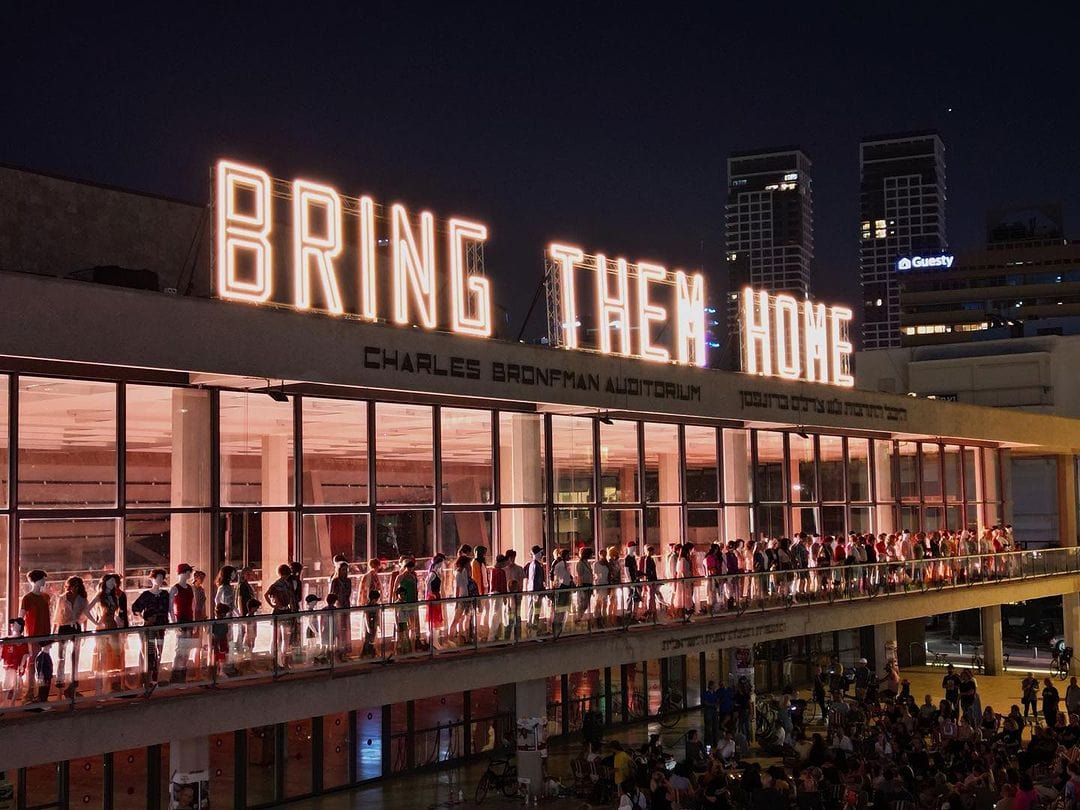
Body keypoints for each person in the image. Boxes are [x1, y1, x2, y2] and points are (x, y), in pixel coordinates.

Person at [88, 573, 128, 692]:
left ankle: (108, 687)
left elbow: (118, 612)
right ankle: (99, 690)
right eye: (110, 581)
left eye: (113, 582)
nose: (112, 583)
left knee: (113, 656)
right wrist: (96, 622)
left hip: (113, 625)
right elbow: (87, 609)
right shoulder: (100, 595)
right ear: (104, 583)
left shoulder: (114, 596)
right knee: (102, 657)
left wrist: (119, 620)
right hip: (103, 626)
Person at [132, 568, 170, 689]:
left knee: (159, 652)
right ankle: (147, 680)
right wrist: (143, 618)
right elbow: (135, 608)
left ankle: (155, 678)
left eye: (162, 578)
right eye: (158, 578)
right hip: (150, 627)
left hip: (161, 626)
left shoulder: (165, 594)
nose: (160, 580)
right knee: (149, 652)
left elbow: (168, 609)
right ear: (152, 579)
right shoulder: (146, 595)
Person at [52, 575, 89, 699]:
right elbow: (57, 615)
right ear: (69, 586)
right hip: (64, 627)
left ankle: (73, 687)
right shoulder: (62, 598)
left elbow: (85, 615)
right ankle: (59, 689)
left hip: (76, 627)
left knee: (75, 657)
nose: (75, 588)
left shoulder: (82, 599)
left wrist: (85, 630)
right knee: (61, 657)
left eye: (77, 586)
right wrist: (53, 632)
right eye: (73, 586)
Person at [20, 569, 50, 703]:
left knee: (43, 664)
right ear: (36, 580)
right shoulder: (27, 598)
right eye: (43, 579)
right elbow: (21, 616)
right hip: (33, 635)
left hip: (45, 634)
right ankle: (29, 693)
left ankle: (40, 694)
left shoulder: (45, 597)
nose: (44, 581)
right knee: (32, 664)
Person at [327, 557, 352, 660]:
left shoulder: (348, 581)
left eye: (346, 570)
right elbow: (332, 594)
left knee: (346, 628)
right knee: (339, 629)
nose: (345, 572)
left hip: (346, 605)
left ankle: (345, 650)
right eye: (343, 570)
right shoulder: (335, 581)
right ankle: (338, 651)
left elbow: (348, 593)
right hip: (338, 606)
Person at [2, 618, 29, 705]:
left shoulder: (23, 641)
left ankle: (12, 702)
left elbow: (26, 653)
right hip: (8, 665)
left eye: (15, 625)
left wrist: (21, 665)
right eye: (12, 625)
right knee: (7, 684)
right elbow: (3, 652)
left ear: (20, 627)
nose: (12, 626)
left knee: (15, 684)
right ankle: (5, 701)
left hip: (17, 666)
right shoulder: (7, 640)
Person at [702, 680, 720, 747]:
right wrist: (713, 704)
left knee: (715, 727)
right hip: (708, 711)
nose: (715, 686)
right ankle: (708, 742)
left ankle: (715, 742)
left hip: (714, 711)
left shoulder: (715, 693)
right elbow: (705, 703)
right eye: (714, 685)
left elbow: (717, 701)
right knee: (708, 728)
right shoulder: (706, 693)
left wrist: (716, 705)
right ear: (710, 686)